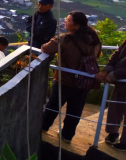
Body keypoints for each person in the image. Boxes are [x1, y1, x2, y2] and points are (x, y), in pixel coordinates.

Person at [42, 11, 102, 143]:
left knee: (53, 105)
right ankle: (67, 136)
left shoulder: (65, 39)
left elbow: (46, 49)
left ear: (76, 26)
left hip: (65, 79)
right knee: (75, 110)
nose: (65, 22)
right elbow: (96, 57)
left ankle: (43, 127)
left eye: (68, 20)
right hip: (84, 81)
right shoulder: (95, 39)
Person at [97, 22, 126, 151]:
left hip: (124, 80)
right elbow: (117, 54)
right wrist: (106, 70)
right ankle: (113, 133)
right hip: (121, 81)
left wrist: (115, 74)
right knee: (115, 107)